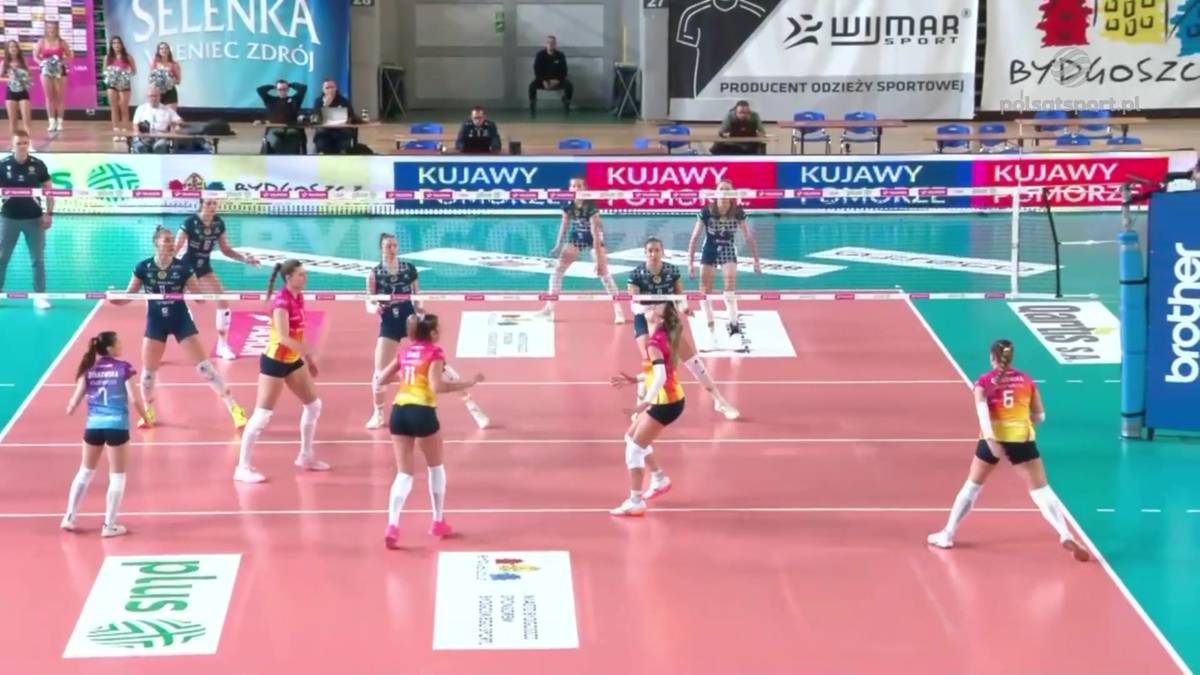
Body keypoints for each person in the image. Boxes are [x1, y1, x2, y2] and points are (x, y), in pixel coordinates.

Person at [927, 339, 1091, 562]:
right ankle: (1065, 533)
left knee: (972, 486)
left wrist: (991, 439)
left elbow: (982, 413)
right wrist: (1023, 422)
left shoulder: (984, 382)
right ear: (1011, 357)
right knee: (1041, 490)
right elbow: (1040, 416)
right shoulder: (1026, 380)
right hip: (1022, 439)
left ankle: (947, 534)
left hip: (992, 439)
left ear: (992, 358)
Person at [110, 226, 248, 431]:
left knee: (206, 368)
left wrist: (202, 292)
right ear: (156, 243)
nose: (171, 243)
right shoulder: (143, 267)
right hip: (156, 322)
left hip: (180, 320)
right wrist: (116, 300)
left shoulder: (183, 267)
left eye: (172, 240)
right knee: (148, 374)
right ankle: (148, 411)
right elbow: (129, 295)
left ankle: (235, 409)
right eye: (166, 240)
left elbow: (199, 298)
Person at [374, 313, 483, 548]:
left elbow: (381, 378)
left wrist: (407, 379)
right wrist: (468, 383)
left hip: (399, 412)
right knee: (436, 467)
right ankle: (437, 521)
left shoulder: (404, 352)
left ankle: (392, 525)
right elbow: (437, 386)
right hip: (422, 411)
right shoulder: (435, 353)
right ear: (432, 333)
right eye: (438, 329)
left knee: (404, 474)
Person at [365, 233, 489, 430]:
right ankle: (378, 413)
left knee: (441, 366)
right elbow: (369, 301)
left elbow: (417, 294)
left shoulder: (409, 269)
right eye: (388, 246)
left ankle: (472, 406)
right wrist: (375, 309)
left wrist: (420, 307)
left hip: (411, 320)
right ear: (381, 248)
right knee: (379, 372)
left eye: (395, 245)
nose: (392, 249)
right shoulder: (374, 274)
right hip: (389, 321)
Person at [235, 260, 330, 483]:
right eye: (301, 275)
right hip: (275, 361)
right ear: (288, 278)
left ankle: (306, 456)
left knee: (313, 406)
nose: (305, 278)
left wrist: (307, 359)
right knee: (262, 416)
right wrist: (310, 350)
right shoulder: (281, 303)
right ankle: (242, 467)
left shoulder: (299, 297)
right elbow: (285, 337)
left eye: (305, 274)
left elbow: (299, 332)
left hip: (293, 360)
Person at [629, 237, 739, 420]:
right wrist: (651, 311)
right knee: (650, 362)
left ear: (662, 252)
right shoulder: (636, 274)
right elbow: (634, 305)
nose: (654, 254)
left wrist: (684, 308)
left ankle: (719, 401)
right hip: (645, 318)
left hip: (668, 317)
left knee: (693, 362)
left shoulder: (672, 271)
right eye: (650, 251)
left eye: (657, 250)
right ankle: (640, 405)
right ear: (645, 253)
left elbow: (679, 297)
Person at [63, 331, 148, 538]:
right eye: (118, 342)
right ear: (110, 348)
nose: (122, 345)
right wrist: (146, 417)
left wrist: (72, 407)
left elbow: (72, 404)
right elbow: (135, 400)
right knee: (117, 475)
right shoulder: (124, 368)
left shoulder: (89, 370)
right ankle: (109, 525)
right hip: (116, 426)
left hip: (93, 426)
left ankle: (69, 517)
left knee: (85, 471)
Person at [608, 303, 686, 516]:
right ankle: (659, 478)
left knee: (634, 448)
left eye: (654, 309)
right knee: (630, 437)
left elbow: (660, 376)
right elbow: (661, 371)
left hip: (666, 404)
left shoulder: (653, 344)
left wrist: (645, 402)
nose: (649, 309)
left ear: (659, 319)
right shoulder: (664, 337)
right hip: (670, 399)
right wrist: (636, 379)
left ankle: (636, 501)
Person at [175, 198, 260, 359]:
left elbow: (226, 250)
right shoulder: (189, 223)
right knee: (174, 301)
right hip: (185, 267)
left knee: (222, 300)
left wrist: (244, 258)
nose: (212, 206)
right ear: (201, 204)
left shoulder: (218, 224)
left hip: (203, 267)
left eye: (215, 203)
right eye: (209, 203)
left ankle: (222, 346)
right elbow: (175, 248)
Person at [534, 177, 626, 324]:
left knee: (604, 273)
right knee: (557, 272)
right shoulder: (568, 204)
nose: (576, 189)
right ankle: (549, 308)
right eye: (573, 186)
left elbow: (595, 233)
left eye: (579, 186)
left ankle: (618, 310)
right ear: (570, 189)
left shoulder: (591, 206)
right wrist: (558, 245)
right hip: (577, 237)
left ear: (585, 189)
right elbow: (564, 224)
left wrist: (599, 260)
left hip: (594, 238)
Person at [687, 178, 761, 339]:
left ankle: (733, 323)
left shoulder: (737, 212)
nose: (724, 192)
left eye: (728, 189)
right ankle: (710, 323)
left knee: (729, 287)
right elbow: (694, 238)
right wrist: (690, 264)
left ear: (732, 193)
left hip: (728, 249)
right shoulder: (706, 211)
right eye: (721, 189)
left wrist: (756, 261)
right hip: (710, 249)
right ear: (716, 192)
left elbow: (749, 237)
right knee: (704, 290)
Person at [0, 130, 52, 309]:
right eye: (19, 143)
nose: (23, 147)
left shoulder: (38, 165)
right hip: (9, 219)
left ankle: (40, 296)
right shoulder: (3, 165)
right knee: (2, 258)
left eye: (25, 143)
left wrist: (49, 213)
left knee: (38, 259)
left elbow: (49, 190)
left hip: (34, 219)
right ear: (12, 145)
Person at [34, 21, 73, 132]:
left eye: (54, 28)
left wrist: (61, 63)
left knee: (59, 97)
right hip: (46, 71)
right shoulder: (41, 42)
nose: (51, 30)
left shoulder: (62, 42)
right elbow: (35, 56)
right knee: (49, 97)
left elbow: (70, 56)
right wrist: (41, 63)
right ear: (46, 29)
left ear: (57, 29)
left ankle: (59, 122)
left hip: (59, 71)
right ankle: (51, 122)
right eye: (49, 28)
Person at [256, 79, 308, 154]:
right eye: (280, 89)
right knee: (275, 141)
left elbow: (303, 88)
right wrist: (273, 86)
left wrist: (290, 85)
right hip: (274, 129)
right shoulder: (270, 100)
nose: (282, 91)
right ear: (277, 90)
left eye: (284, 89)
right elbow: (260, 90)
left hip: (292, 129)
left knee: (293, 142)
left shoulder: (295, 100)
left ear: (287, 90)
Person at [529, 35, 573, 116]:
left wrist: (558, 80)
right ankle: (532, 105)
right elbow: (537, 70)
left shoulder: (560, 55)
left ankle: (566, 103)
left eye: (553, 43)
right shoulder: (540, 55)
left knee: (569, 85)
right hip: (543, 80)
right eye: (548, 42)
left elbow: (564, 71)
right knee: (532, 86)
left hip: (557, 80)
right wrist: (544, 81)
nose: (550, 44)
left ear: (555, 44)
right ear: (546, 44)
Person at [311, 78, 357, 155]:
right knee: (321, 134)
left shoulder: (343, 100)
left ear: (336, 88)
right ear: (323, 90)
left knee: (345, 132)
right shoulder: (318, 101)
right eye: (327, 88)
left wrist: (348, 119)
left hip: (340, 128)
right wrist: (325, 105)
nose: (330, 90)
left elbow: (351, 115)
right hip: (324, 129)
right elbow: (315, 117)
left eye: (332, 87)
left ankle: (343, 153)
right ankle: (322, 153)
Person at [131, 86, 182, 153]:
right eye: (151, 96)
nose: (154, 98)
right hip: (144, 138)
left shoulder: (167, 109)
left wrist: (174, 125)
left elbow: (179, 120)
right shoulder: (141, 109)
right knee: (140, 146)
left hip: (161, 138)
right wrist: (140, 134)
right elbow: (135, 125)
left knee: (160, 146)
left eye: (156, 96)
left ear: (160, 97)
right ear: (147, 97)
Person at [103, 36, 136, 142]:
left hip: (124, 85)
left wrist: (125, 74)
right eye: (114, 43)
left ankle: (124, 132)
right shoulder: (107, 57)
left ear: (121, 44)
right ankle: (116, 132)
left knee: (124, 107)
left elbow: (134, 71)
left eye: (118, 43)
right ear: (111, 45)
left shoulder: (128, 57)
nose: (116, 45)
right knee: (114, 108)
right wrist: (111, 75)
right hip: (112, 85)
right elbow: (105, 71)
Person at [1, 41, 33, 139]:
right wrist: (10, 79)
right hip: (11, 92)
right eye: (11, 47)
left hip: (23, 91)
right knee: (13, 120)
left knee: (26, 119)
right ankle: (14, 142)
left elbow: (30, 76)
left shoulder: (23, 61)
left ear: (18, 49)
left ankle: (28, 141)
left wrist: (25, 78)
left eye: (15, 46)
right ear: (8, 49)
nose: (13, 48)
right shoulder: (4, 63)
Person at [149, 42, 182, 110]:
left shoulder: (174, 64)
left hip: (170, 92)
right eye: (161, 48)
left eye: (166, 48)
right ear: (158, 51)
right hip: (158, 93)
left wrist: (169, 79)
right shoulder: (154, 64)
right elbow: (151, 79)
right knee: (158, 113)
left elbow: (178, 81)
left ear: (169, 50)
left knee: (171, 113)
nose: (164, 50)